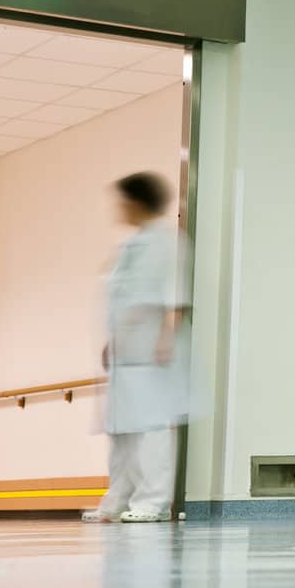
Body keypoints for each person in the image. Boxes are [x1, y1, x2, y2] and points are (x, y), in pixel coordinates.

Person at [84, 172, 188, 524]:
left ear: (137, 202)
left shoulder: (167, 243)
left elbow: (175, 296)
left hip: (151, 352)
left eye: (122, 200)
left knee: (152, 429)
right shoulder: (129, 247)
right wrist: (110, 343)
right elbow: (120, 301)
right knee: (121, 430)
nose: (118, 208)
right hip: (124, 352)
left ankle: (153, 502)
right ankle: (117, 498)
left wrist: (166, 338)